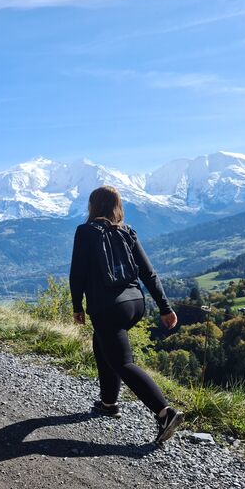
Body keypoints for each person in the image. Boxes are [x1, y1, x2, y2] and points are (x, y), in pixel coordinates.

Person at [69, 186, 183, 443]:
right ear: (116, 207)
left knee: (123, 362)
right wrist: (165, 307)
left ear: (92, 205)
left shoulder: (85, 232)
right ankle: (108, 403)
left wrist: (77, 306)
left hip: (107, 307)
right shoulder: (127, 231)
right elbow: (148, 273)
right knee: (103, 343)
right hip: (135, 303)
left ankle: (164, 412)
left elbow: (77, 274)